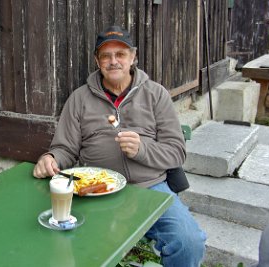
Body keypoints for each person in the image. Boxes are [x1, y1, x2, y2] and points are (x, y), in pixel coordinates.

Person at [33, 25, 206, 267]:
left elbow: (176, 152)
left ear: (133, 57)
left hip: (151, 188)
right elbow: (65, 149)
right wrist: (51, 158)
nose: (113, 61)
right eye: (106, 55)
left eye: (121, 54)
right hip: (95, 191)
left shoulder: (156, 94)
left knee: (189, 242)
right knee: (65, 242)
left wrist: (142, 149)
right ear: (97, 60)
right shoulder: (79, 99)